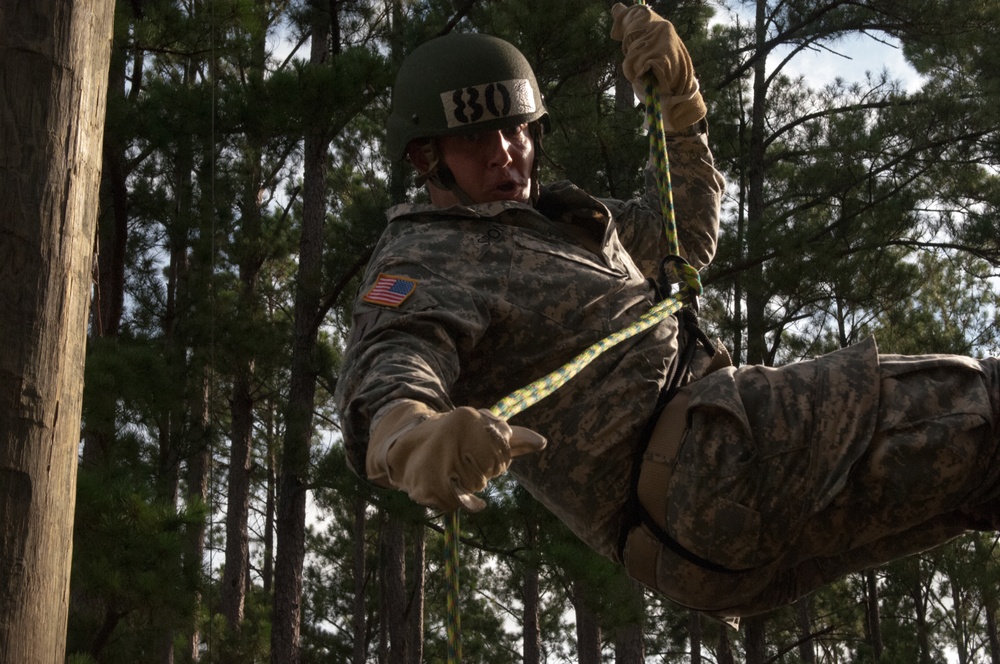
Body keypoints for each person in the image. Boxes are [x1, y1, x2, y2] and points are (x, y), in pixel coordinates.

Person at [334, 4, 1000, 618]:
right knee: (988, 410)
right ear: (428, 157)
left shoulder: (559, 219)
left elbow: (681, 236)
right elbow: (393, 359)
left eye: (516, 128)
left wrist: (681, 108)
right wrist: (409, 433)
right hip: (710, 461)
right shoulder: (424, 255)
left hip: (708, 519)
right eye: (477, 137)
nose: (507, 151)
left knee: (982, 479)